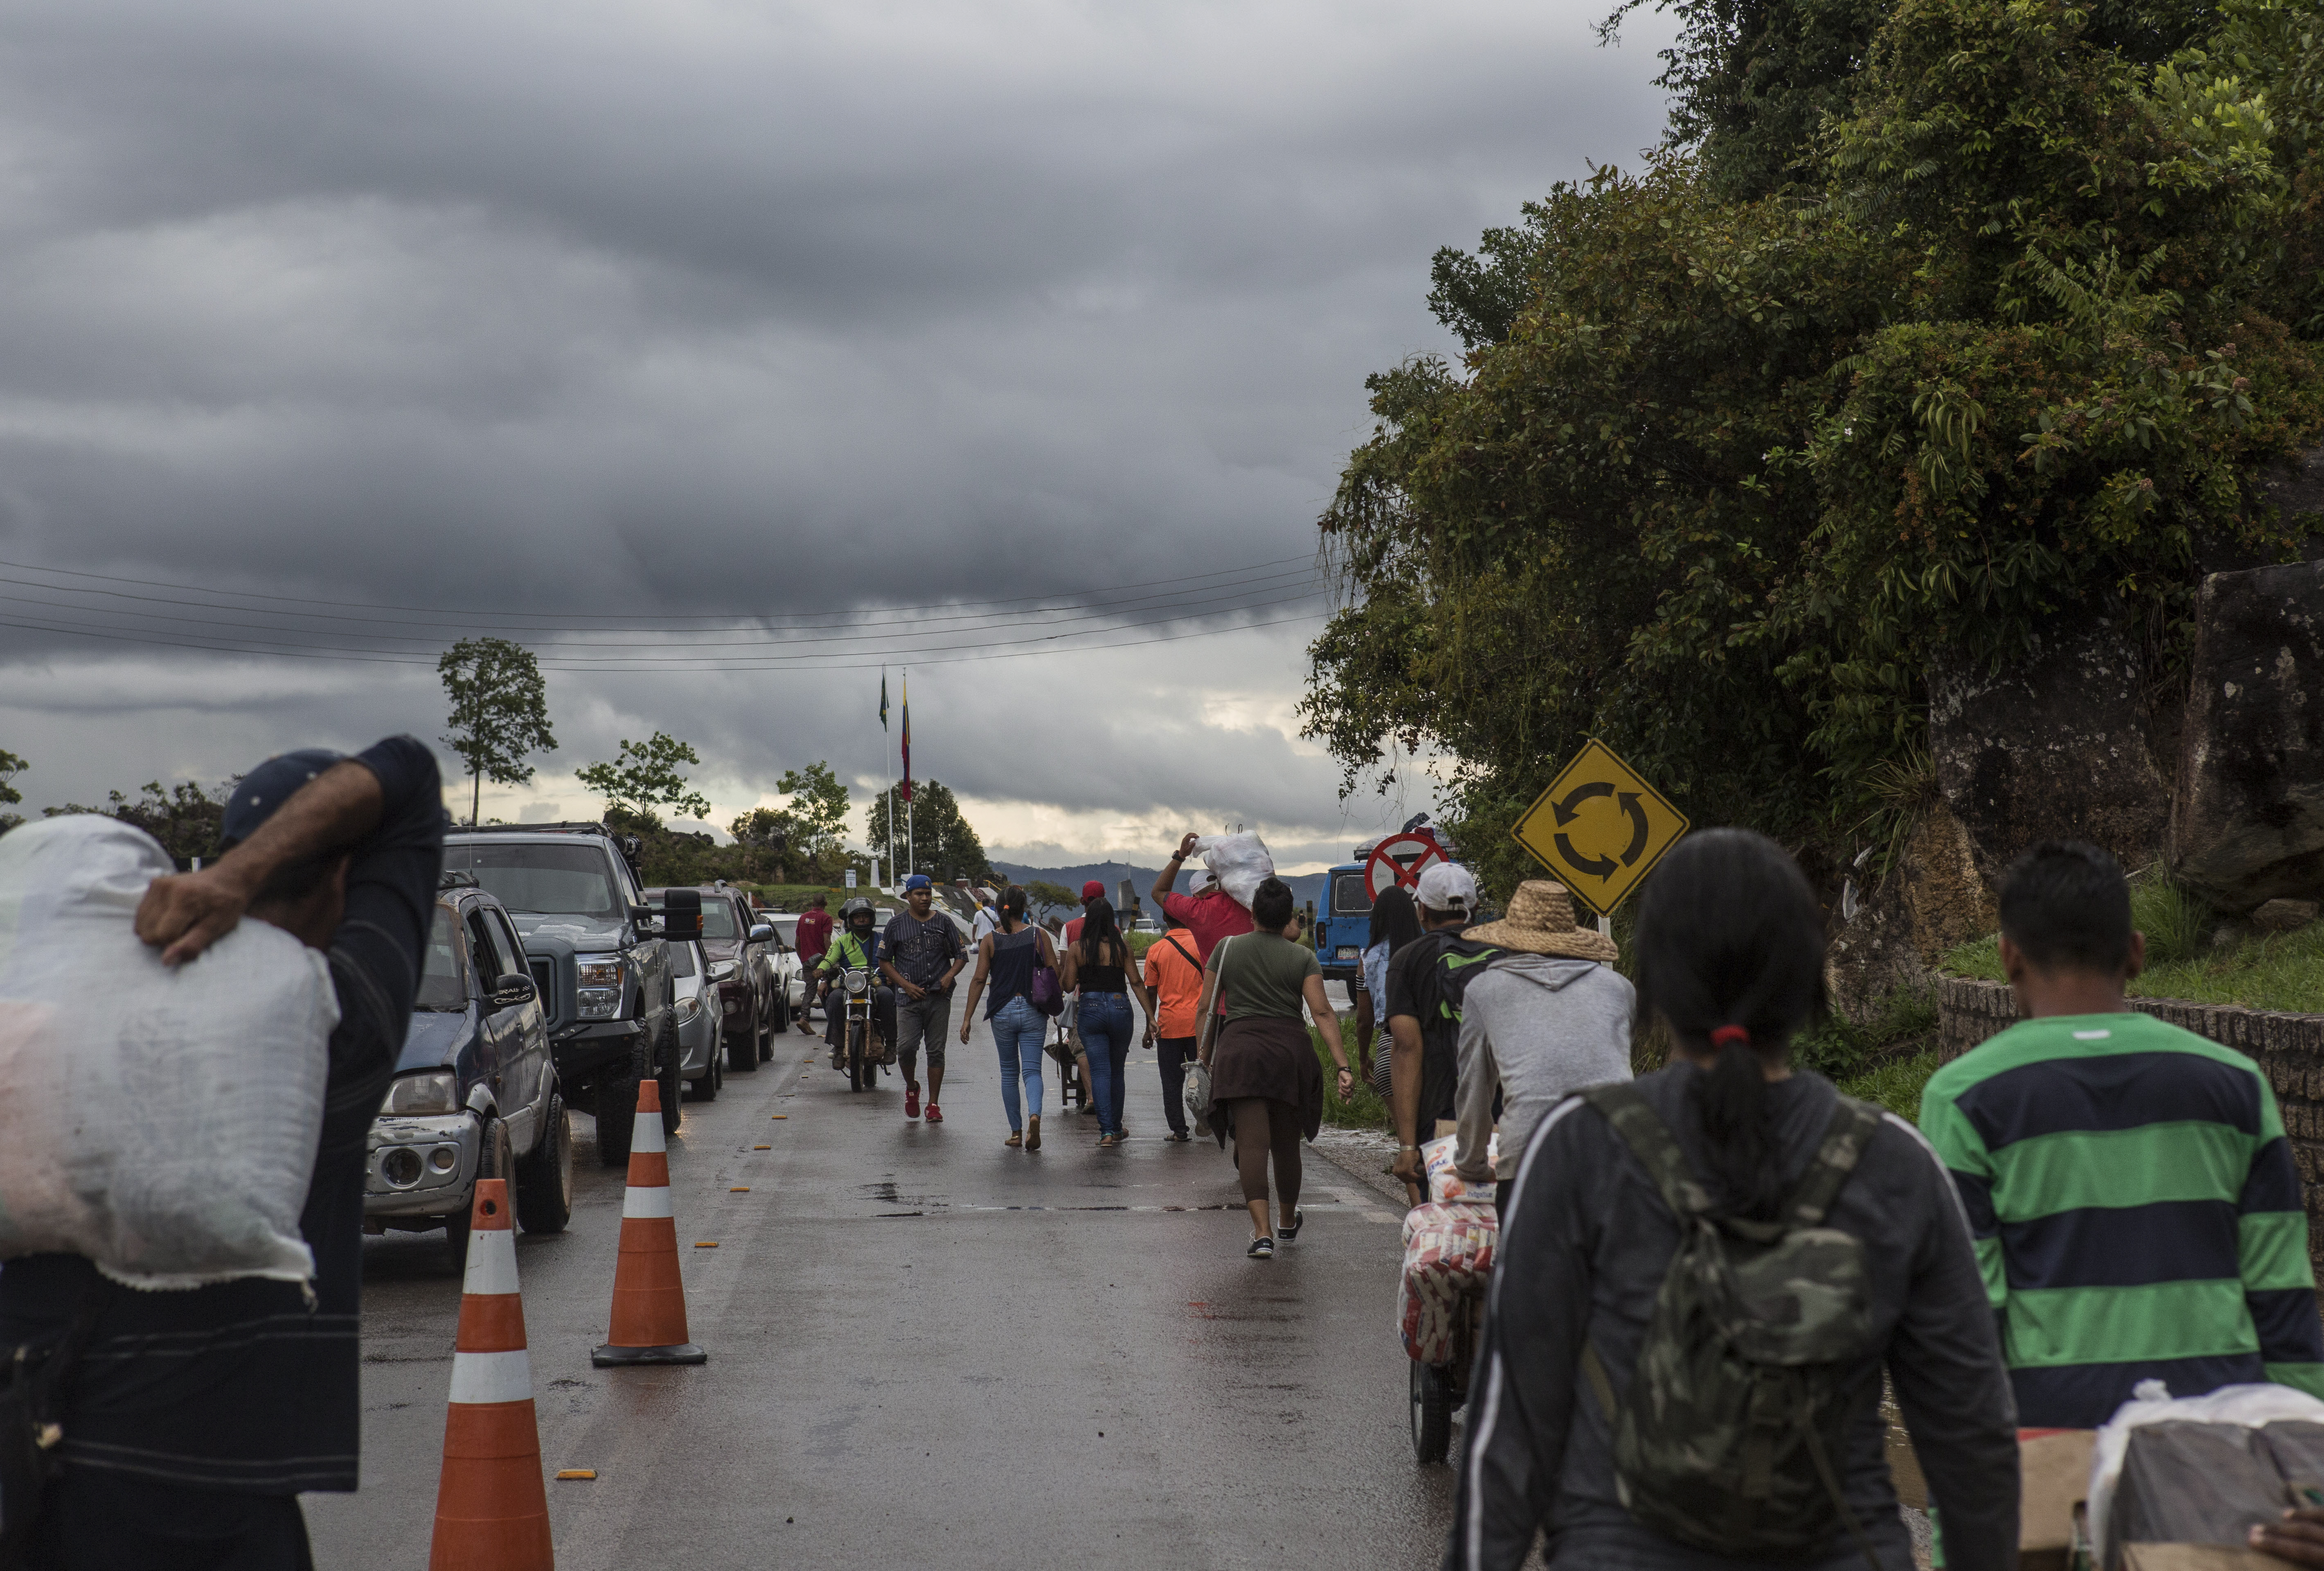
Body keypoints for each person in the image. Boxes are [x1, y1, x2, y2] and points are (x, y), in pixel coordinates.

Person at [1447, 828, 2019, 1571]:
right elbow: (1972, 1441)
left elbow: (1510, 1436)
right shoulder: (1894, 1163)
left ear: (1653, 985)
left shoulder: (1581, 1150)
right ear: (1808, 979)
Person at [0, 739, 445, 1570]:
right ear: (344, 879)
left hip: (28, 1466)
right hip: (203, 1489)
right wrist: (236, 886)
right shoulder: (335, 1030)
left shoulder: (64, 1016)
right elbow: (408, 777)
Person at [1921, 840, 2324, 1429]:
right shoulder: (2235, 1085)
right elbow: (2283, 1301)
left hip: (2052, 1450)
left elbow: (1967, 1326)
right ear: (2136, 954)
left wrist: (1957, 1511)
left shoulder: (1963, 1098)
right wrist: (2306, 1489)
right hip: (2215, 1449)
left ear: (2009, 957)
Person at [1193, 876, 1354, 1258]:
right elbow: (1322, 1011)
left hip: (1241, 1053)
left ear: (1252, 913)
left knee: (1251, 1144)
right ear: (1288, 920)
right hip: (1289, 1055)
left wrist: (1203, 1058)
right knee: (1286, 1146)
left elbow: (1204, 1007)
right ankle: (1285, 1222)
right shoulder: (1302, 958)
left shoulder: (1226, 949)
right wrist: (1342, 1064)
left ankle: (1261, 1233)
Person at [1452, 881, 1635, 1213]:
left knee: (1530, 1264)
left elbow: (1475, 1088)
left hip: (1529, 1153)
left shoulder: (1485, 989)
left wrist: (1471, 1163)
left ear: (1509, 941)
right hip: (1615, 1151)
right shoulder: (1617, 988)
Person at [1387, 862, 1495, 1201]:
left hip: (1438, 1118)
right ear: (1475, 909)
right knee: (1508, 1223)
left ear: (1422, 911)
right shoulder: (1506, 955)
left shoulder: (1408, 960)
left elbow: (1407, 1050)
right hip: (1503, 1112)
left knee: (1445, 1232)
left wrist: (1407, 1146)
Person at [957, 885, 1062, 1150]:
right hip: (1032, 1010)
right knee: (1032, 1071)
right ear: (1023, 908)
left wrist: (967, 1019)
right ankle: (1034, 1117)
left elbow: (980, 979)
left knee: (1008, 1072)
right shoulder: (1039, 936)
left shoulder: (990, 940)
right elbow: (1055, 973)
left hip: (1002, 1011)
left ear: (999, 908)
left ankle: (1016, 1133)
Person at [1057, 896, 1155, 1147]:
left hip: (1090, 1009)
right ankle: (1116, 1125)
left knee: (1100, 1071)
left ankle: (1107, 1132)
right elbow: (1136, 983)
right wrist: (1150, 1016)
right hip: (1120, 1006)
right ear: (1111, 921)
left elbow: (1068, 986)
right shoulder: (1123, 948)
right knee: (1117, 1072)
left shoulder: (1079, 948)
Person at [881, 873, 967, 1123]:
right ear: (908, 897)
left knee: (936, 1051)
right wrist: (906, 986)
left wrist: (949, 976)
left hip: (938, 998)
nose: (925, 899)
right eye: (919, 894)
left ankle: (933, 1104)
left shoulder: (945, 922)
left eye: (928, 894)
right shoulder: (896, 925)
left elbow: (961, 955)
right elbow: (885, 961)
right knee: (906, 1048)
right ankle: (911, 1088)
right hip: (908, 1000)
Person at [1142, 908, 1206, 1142]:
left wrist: (1150, 1026)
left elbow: (1151, 992)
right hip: (1200, 1025)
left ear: (1165, 920)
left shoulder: (1157, 950)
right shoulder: (1202, 945)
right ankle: (1212, 1121)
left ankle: (1179, 1131)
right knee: (1206, 1076)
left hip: (1168, 1026)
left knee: (1171, 1082)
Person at [1149, 832, 1256, 961]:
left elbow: (1158, 892)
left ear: (1196, 896)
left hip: (1216, 981)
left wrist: (1181, 856)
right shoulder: (1249, 901)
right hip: (1259, 979)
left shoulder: (1195, 910)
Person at [1358, 884, 1423, 1096]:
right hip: (1429, 1049)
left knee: (1402, 1129)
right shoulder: (1425, 952)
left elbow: (1364, 1021)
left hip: (1389, 1049)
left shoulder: (1367, 960)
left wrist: (1362, 1058)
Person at [816, 896, 891, 1070]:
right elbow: (829, 959)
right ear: (851, 920)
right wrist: (821, 970)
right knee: (834, 998)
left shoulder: (882, 939)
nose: (862, 919)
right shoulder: (842, 942)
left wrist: (893, 974)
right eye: (858, 917)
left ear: (872, 918)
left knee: (887, 996)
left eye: (865, 916)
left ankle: (892, 1045)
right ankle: (839, 1047)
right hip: (849, 984)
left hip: (876, 983)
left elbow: (892, 960)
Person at [794, 891, 833, 1033]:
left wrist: (803, 959)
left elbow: (797, 942)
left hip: (807, 961)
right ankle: (833, 1020)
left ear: (812, 904)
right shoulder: (826, 918)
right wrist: (833, 959)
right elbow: (827, 941)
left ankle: (804, 1018)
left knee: (810, 990)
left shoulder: (803, 918)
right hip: (823, 960)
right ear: (826, 904)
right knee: (831, 986)